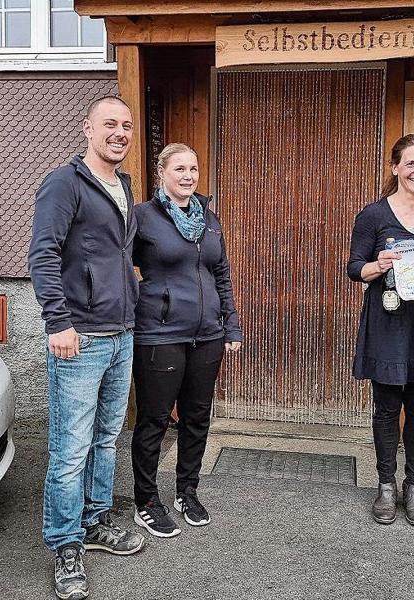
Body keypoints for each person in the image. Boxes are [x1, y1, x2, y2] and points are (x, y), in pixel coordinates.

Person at [28, 95, 146, 600]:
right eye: (109, 125)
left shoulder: (123, 185)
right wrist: (58, 322)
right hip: (81, 337)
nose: (119, 132)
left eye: (126, 125)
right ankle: (65, 543)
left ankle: (95, 522)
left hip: (122, 333)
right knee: (69, 449)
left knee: (105, 438)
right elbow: (43, 253)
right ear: (88, 130)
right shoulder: (64, 183)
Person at [129, 143, 242, 538]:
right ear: (162, 172)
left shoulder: (210, 220)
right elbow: (119, 268)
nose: (189, 176)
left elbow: (221, 275)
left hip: (207, 335)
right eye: (180, 168)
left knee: (197, 417)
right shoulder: (142, 217)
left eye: (193, 168)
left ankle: (186, 492)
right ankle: (145, 501)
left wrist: (231, 326)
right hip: (159, 336)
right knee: (154, 421)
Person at [347, 133, 414, 527]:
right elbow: (354, 267)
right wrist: (378, 265)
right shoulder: (374, 215)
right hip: (388, 320)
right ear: (395, 167)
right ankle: (386, 485)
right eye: (410, 163)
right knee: (387, 409)